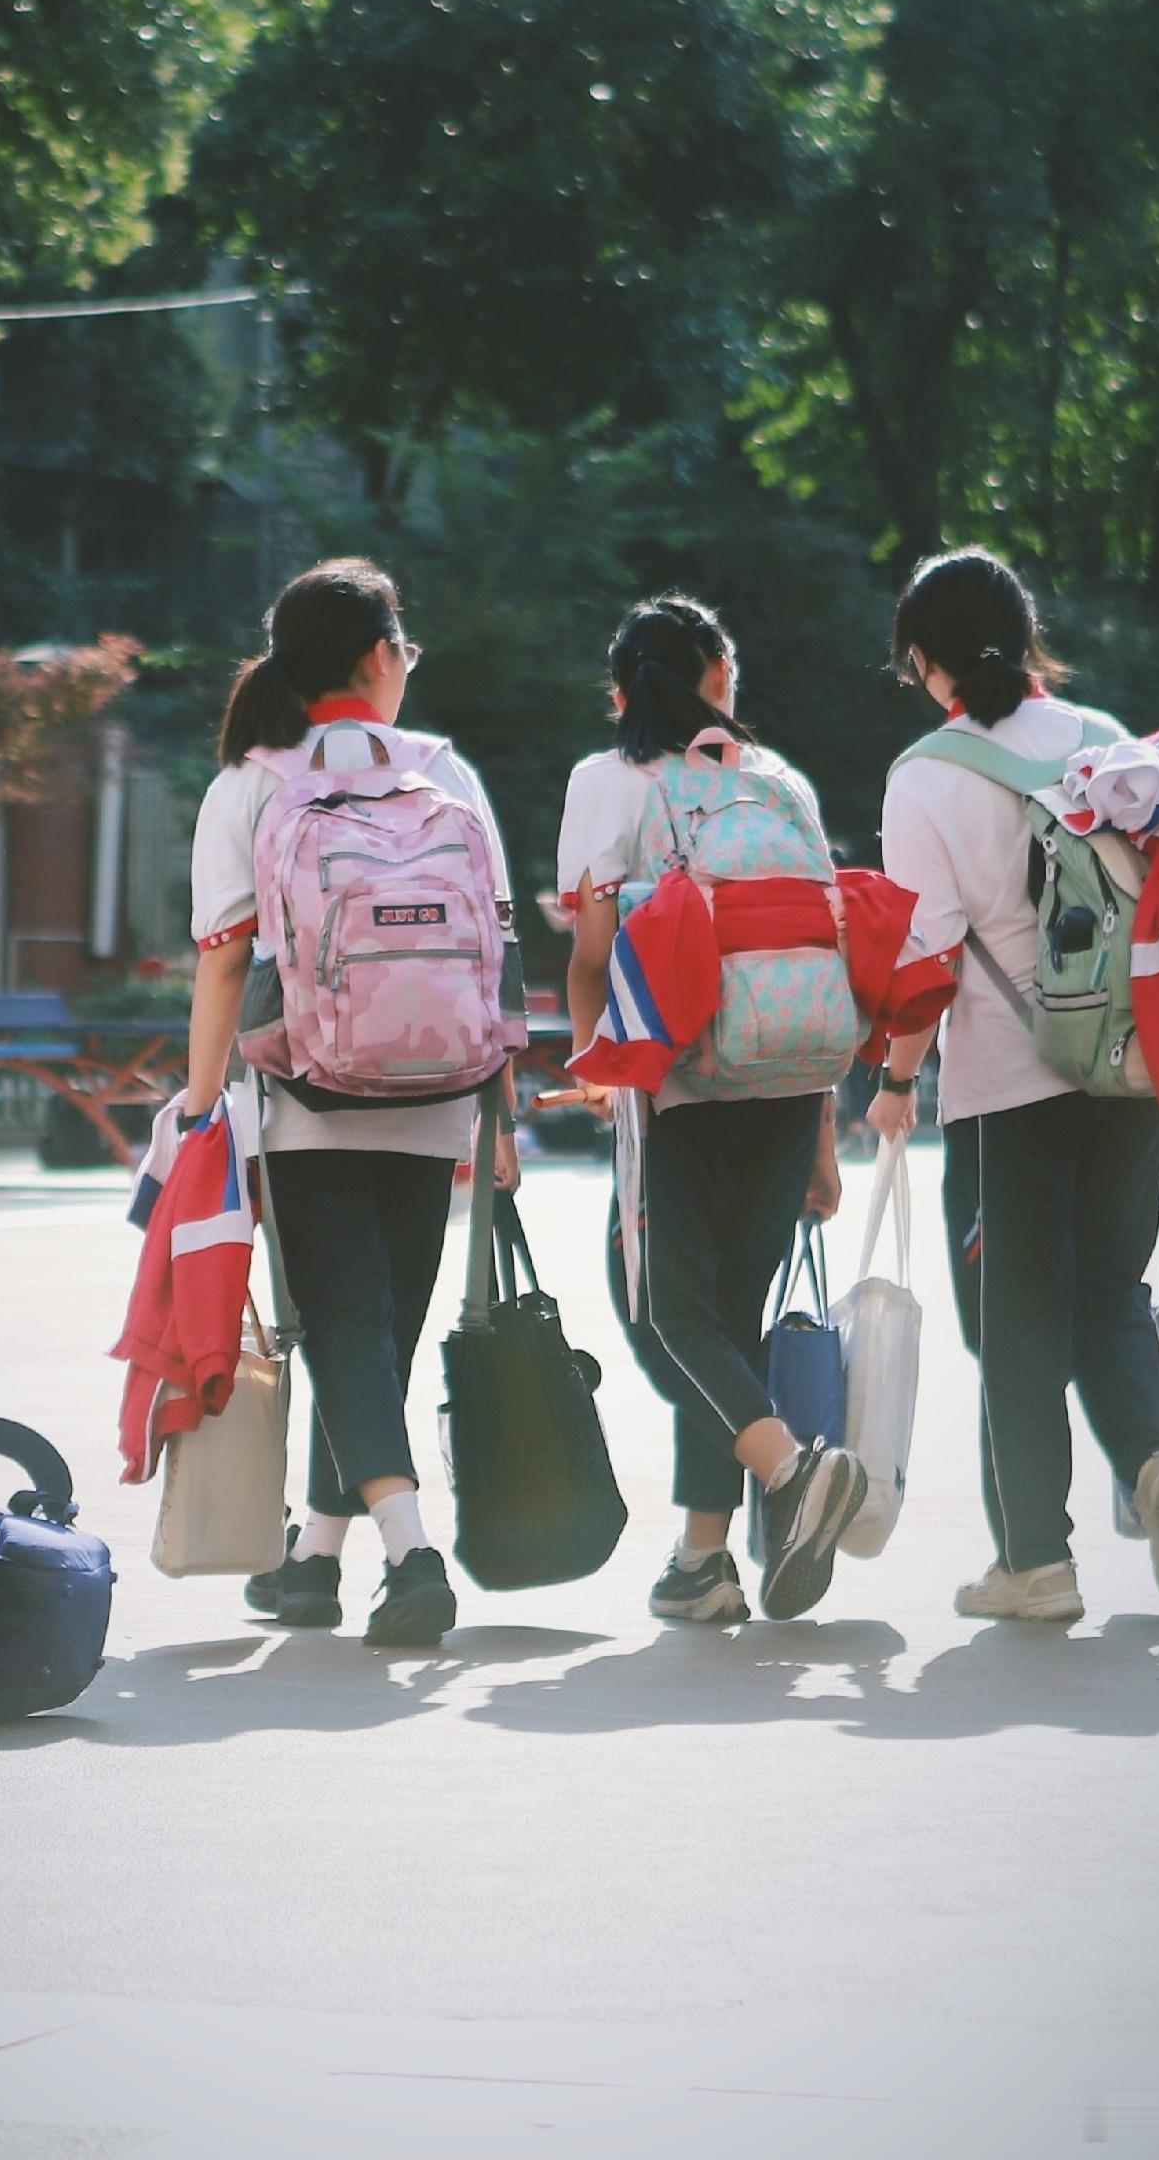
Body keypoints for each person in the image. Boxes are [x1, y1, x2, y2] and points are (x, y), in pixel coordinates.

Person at [871, 546, 1159, 1620]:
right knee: (1107, 1294)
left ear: (924, 662)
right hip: (1128, 1070)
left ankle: (1036, 1563)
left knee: (1013, 1326)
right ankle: (1155, 1463)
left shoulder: (925, 776)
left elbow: (923, 957)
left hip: (1003, 1090)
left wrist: (891, 1082)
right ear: (1027, 640)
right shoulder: (1108, 744)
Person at [185, 557, 520, 1651]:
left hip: (305, 1099)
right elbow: (494, 952)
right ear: (380, 657)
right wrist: (499, 1109)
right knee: (375, 1335)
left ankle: (412, 1554)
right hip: (437, 1096)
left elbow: (224, 967)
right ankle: (315, 1566)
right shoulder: (444, 777)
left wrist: (200, 1109)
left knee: (346, 1329)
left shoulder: (248, 787)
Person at [561, 593, 864, 1629]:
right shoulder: (778, 781)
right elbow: (814, 951)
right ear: (721, 678)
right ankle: (703, 1560)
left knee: (666, 1307)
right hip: (789, 1073)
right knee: (724, 1315)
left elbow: (592, 957)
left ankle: (786, 1470)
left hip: (682, 1080)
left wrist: (603, 1070)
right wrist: (824, 1130)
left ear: (620, 691)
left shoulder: (605, 781)